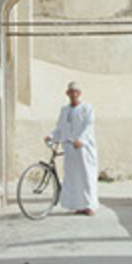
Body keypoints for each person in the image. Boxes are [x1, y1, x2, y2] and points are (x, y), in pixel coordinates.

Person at [46, 81, 99, 215]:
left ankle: (90, 205)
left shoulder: (87, 108)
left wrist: (80, 140)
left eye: (76, 91)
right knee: (73, 177)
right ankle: (79, 205)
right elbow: (60, 127)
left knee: (86, 176)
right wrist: (51, 136)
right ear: (67, 93)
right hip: (70, 149)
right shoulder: (64, 110)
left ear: (79, 93)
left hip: (84, 149)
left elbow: (89, 125)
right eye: (71, 92)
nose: (73, 94)